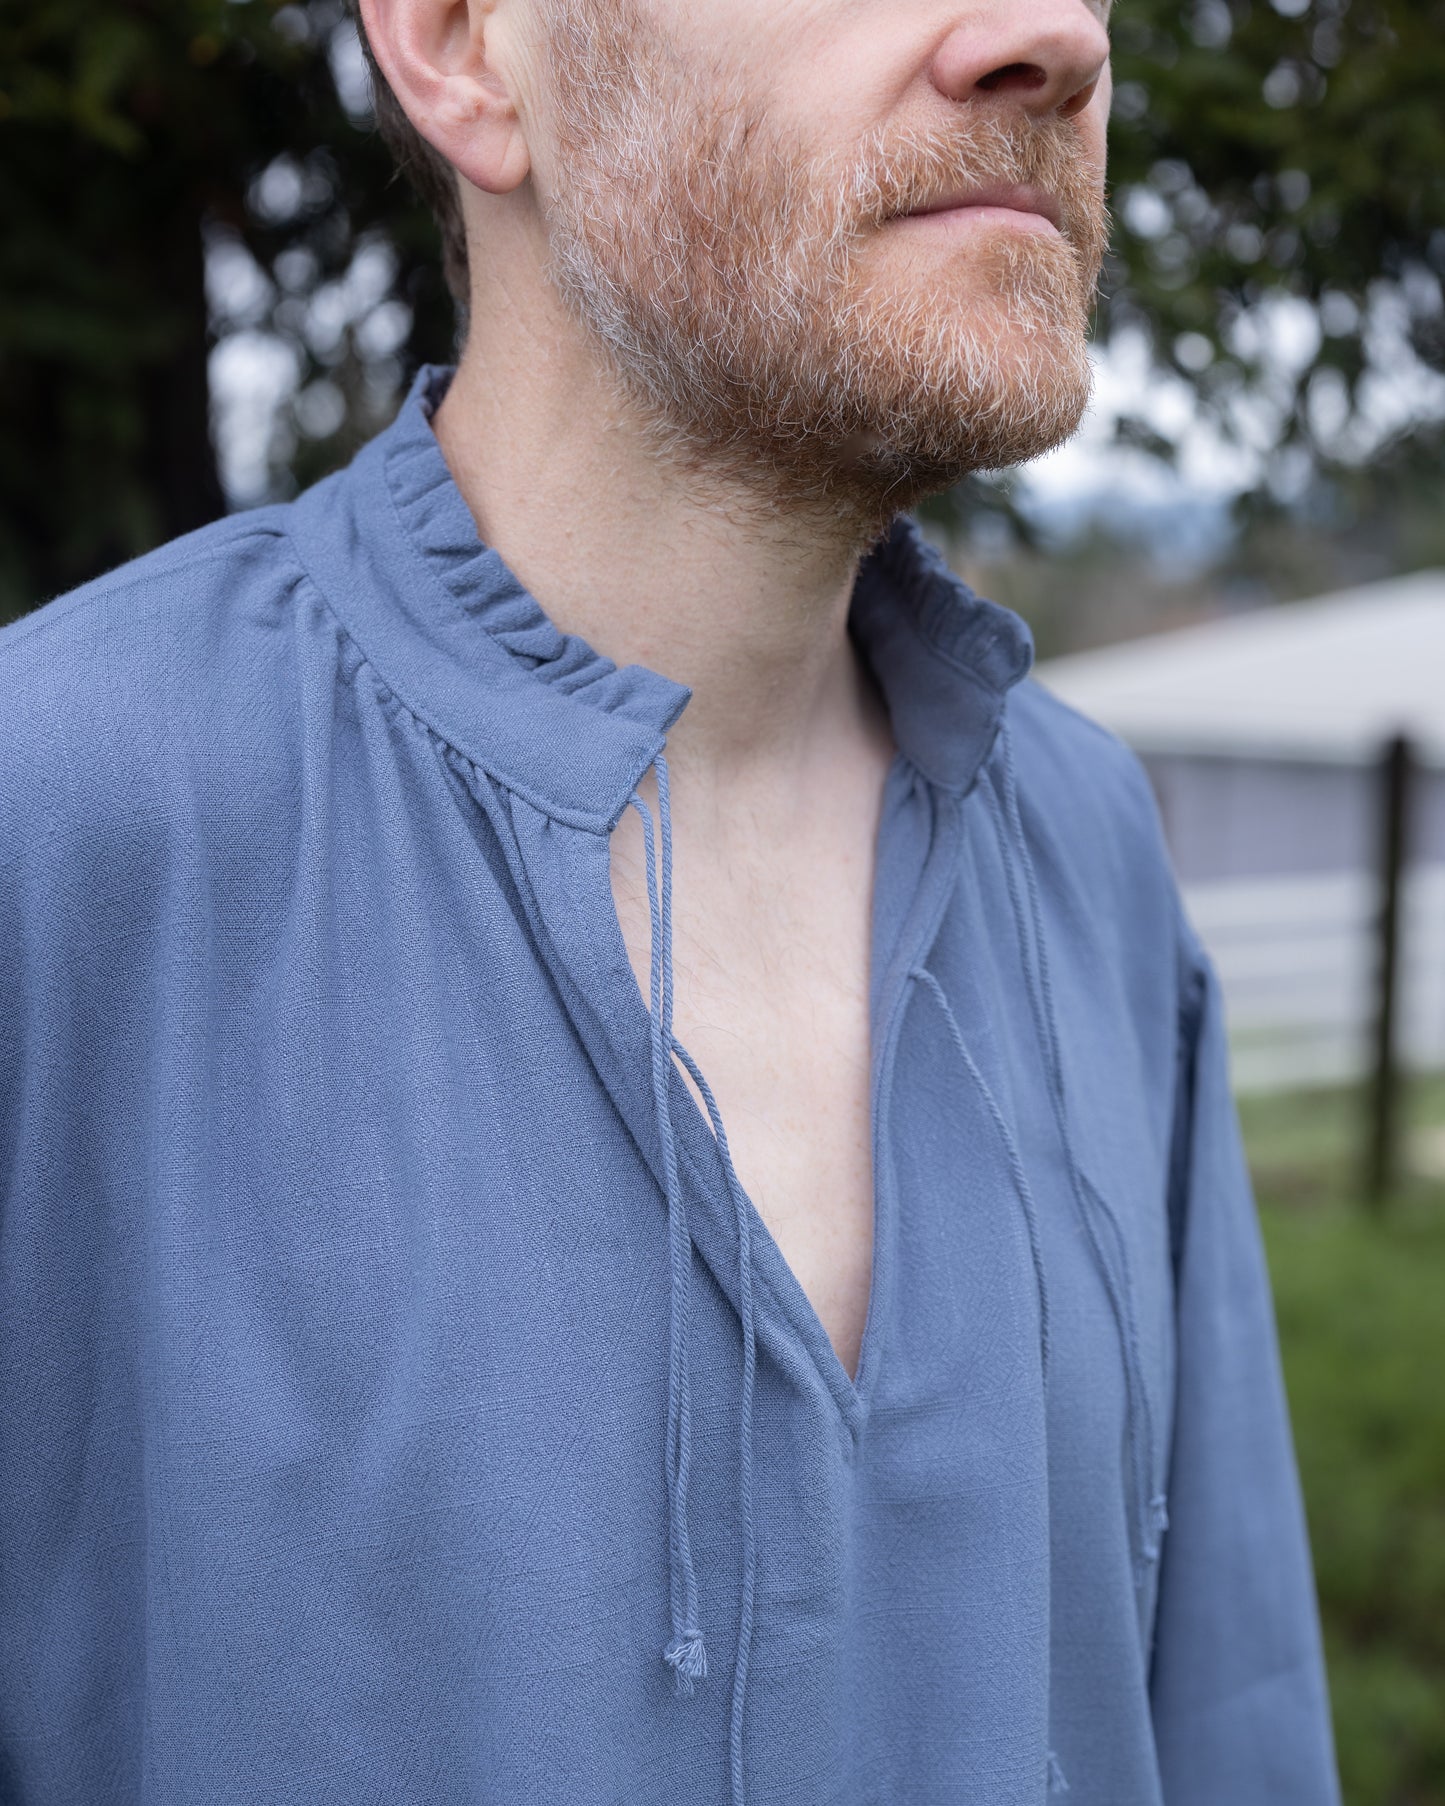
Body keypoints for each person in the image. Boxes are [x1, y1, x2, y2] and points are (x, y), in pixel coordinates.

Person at [0, 0, 1343, 1800]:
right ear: (463, 44)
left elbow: (1236, 1730)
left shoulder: (1091, 856)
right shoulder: (59, 836)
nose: (1053, 38)